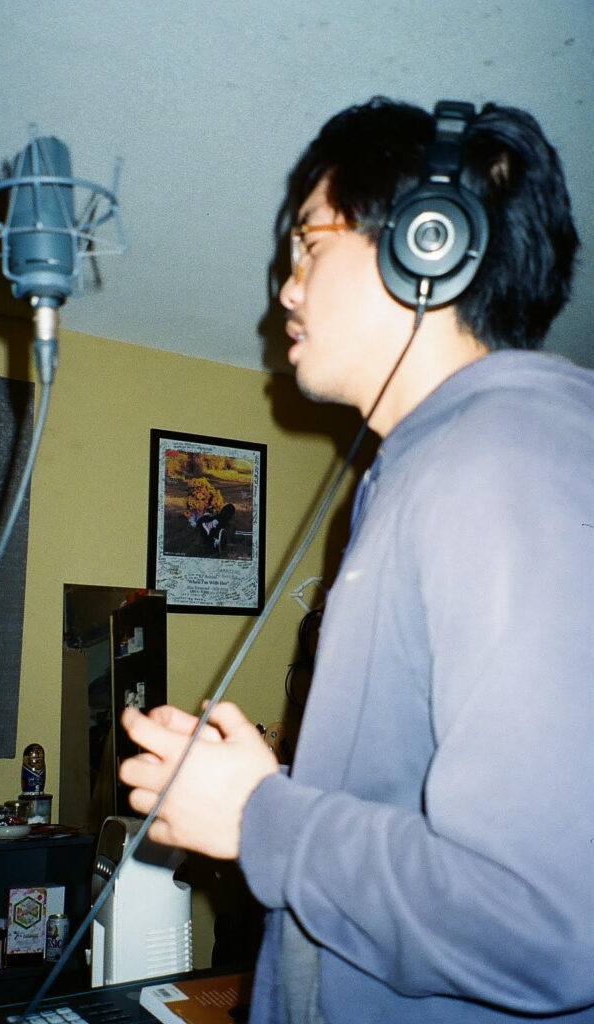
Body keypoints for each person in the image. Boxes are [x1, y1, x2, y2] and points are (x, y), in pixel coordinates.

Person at [119, 97, 594, 1022]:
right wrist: (268, 791)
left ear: (428, 243)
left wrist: (259, 817)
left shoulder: (507, 460)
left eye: (308, 244)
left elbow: (548, 920)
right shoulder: (430, 470)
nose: (285, 289)